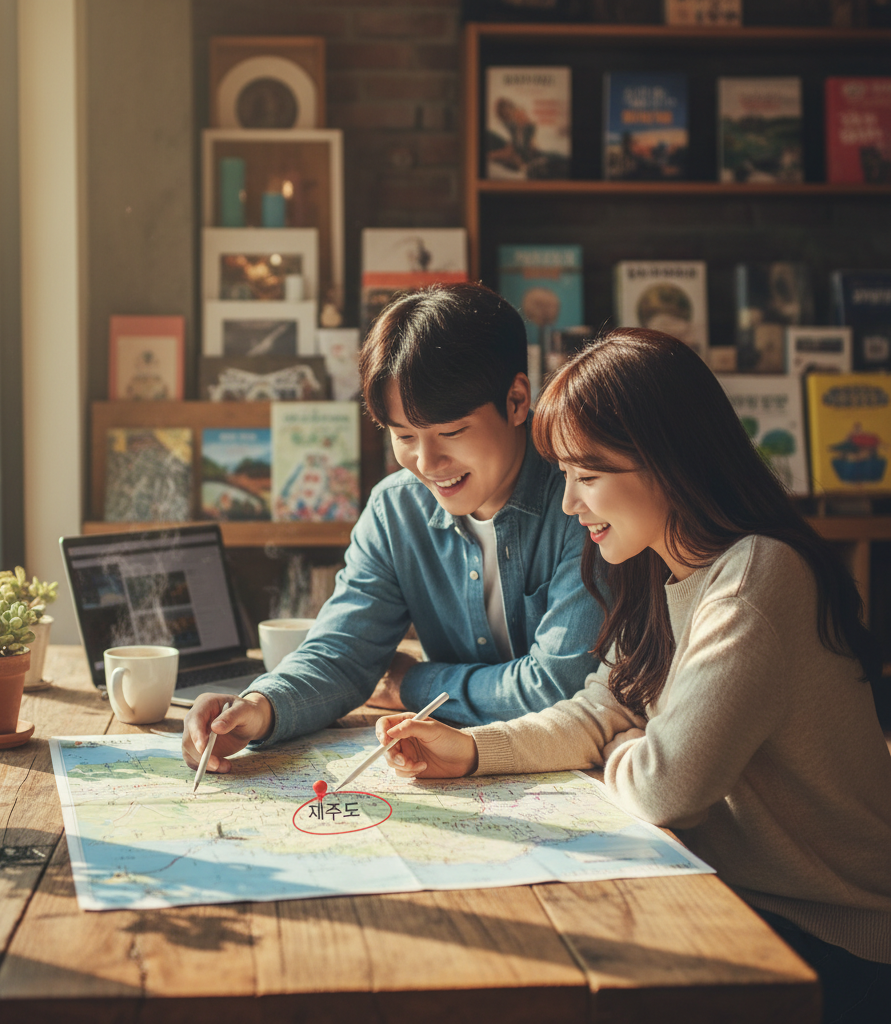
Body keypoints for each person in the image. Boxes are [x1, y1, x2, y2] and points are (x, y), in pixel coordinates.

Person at [376, 328, 891, 1023]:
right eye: (562, 476)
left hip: (835, 937)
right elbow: (599, 709)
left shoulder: (754, 580)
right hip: (731, 893)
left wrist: (621, 747)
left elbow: (664, 787)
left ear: (669, 464)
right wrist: (469, 751)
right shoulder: (658, 569)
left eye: (587, 476)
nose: (567, 504)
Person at [182, 282, 601, 772]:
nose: (427, 463)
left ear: (515, 400)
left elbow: (558, 687)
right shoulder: (395, 509)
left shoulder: (584, 501)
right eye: (403, 436)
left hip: (581, 774)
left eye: (450, 432)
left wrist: (408, 683)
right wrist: (258, 707)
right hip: (451, 775)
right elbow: (342, 651)